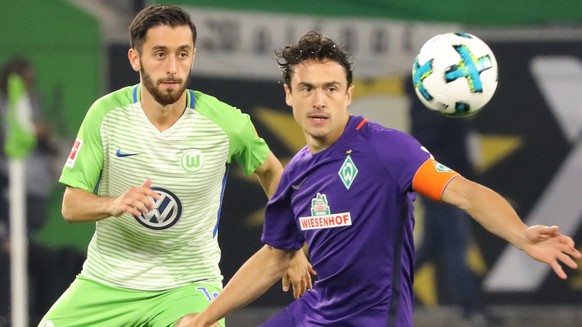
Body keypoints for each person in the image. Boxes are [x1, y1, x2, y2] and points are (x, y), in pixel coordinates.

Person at [187, 31, 581, 327]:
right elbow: (275, 256)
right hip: (314, 312)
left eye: (331, 88)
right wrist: (204, 318)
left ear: (349, 94)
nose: (319, 100)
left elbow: (465, 193)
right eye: (307, 88)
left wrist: (520, 234)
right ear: (289, 94)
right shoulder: (295, 173)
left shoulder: (387, 150)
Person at [38, 5, 313, 327]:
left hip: (187, 286)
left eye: (182, 54)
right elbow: (72, 206)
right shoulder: (106, 115)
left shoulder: (225, 123)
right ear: (135, 59)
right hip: (107, 283)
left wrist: (290, 246)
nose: (172, 67)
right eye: (160, 54)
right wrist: (114, 203)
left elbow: (269, 170)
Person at [407, 77, 498, 326]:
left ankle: (377, 293)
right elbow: (426, 147)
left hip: (451, 185)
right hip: (444, 187)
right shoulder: (430, 104)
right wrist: (454, 178)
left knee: (431, 247)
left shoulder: (447, 102)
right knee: (457, 246)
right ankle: (472, 311)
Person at [0, 57, 61, 325]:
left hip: (35, 189)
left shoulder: (31, 100)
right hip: (14, 188)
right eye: (25, 78)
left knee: (24, 252)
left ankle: (22, 309)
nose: (29, 83)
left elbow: (41, 131)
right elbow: (17, 133)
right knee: (13, 251)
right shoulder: (7, 103)